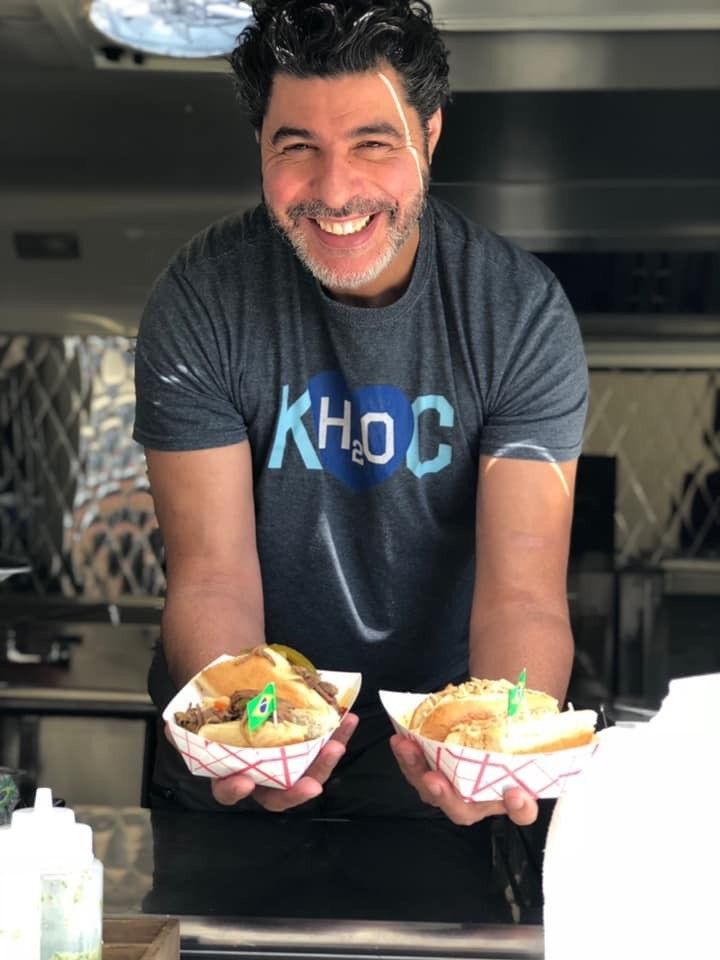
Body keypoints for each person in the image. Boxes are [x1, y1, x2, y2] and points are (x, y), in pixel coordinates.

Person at [133, 0, 588, 827]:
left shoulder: (518, 313)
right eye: (296, 146)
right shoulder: (202, 298)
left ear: (430, 136)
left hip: (437, 742)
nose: (334, 190)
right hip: (234, 747)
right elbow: (213, 573)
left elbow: (522, 597)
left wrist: (492, 752)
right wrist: (252, 736)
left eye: (373, 144)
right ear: (261, 149)